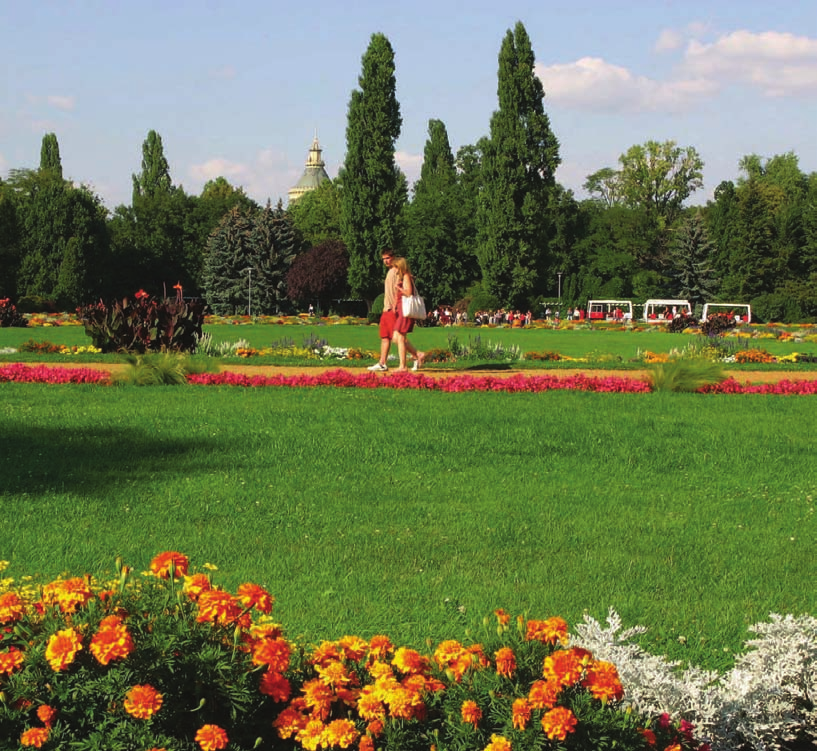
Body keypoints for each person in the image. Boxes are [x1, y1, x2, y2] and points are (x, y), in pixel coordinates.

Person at [367, 248, 399, 372]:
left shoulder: (397, 271)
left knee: (397, 338)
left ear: (393, 257)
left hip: (391, 309)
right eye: (384, 259)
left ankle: (417, 355)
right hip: (386, 309)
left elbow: (399, 289)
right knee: (385, 337)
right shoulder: (390, 271)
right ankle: (382, 363)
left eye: (388, 258)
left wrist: (395, 306)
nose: (385, 261)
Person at [392, 257, 426, 371]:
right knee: (396, 338)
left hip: (405, 311)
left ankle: (403, 366)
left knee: (400, 337)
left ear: (400, 267)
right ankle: (418, 354)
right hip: (402, 311)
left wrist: (398, 288)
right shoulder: (404, 276)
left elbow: (408, 293)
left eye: (395, 267)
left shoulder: (406, 276)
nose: (394, 269)